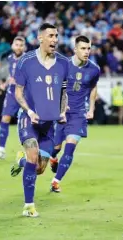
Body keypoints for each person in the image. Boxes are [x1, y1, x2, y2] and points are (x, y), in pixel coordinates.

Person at [10, 23, 69, 217]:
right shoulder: (25, 61)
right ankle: (29, 206)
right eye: (51, 36)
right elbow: (18, 93)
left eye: (57, 36)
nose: (55, 40)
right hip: (29, 120)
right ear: (40, 38)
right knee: (33, 155)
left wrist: (62, 113)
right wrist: (28, 111)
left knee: (39, 169)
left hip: (49, 124)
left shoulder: (63, 63)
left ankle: (21, 161)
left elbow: (63, 92)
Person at [47, 35, 100, 193]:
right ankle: (53, 157)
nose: (86, 52)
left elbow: (93, 89)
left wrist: (91, 109)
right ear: (75, 49)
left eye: (89, 48)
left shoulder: (94, 69)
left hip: (79, 114)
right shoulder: (62, 65)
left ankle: (56, 181)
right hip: (61, 113)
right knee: (56, 147)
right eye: (83, 48)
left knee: (70, 148)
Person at [0, 37, 26, 159]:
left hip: (25, 94)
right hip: (11, 93)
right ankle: (1, 151)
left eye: (21, 45)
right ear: (12, 46)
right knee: (5, 119)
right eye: (17, 44)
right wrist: (6, 83)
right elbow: (12, 74)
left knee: (29, 121)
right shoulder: (10, 58)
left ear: (24, 47)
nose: (19, 47)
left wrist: (19, 81)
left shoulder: (28, 60)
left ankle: (34, 149)